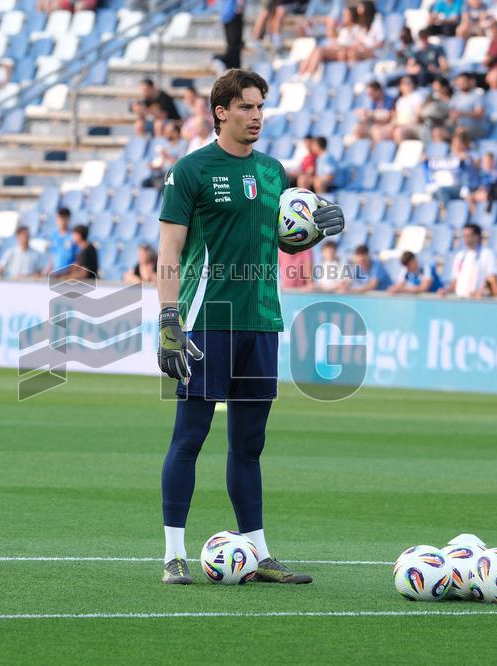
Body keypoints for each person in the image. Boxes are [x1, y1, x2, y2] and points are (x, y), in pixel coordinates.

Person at [156, 68, 344, 585]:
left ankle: (259, 554)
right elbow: (169, 250)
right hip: (206, 319)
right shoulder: (191, 170)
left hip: (263, 320)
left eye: (261, 107)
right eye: (246, 107)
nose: (256, 116)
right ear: (221, 112)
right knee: (189, 437)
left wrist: (313, 235)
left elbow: (281, 241)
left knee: (250, 443)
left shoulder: (274, 172)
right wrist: (168, 319)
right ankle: (174, 554)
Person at [442, 223, 497, 298]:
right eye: (464, 236)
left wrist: (481, 292)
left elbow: (491, 279)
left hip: (478, 301)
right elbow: (455, 282)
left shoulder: (487, 254)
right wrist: (446, 291)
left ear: (477, 236)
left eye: (468, 235)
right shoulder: (460, 256)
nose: (465, 238)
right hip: (461, 300)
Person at [423, 129, 477, 203]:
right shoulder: (450, 156)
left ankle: (446, 212)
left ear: (464, 144)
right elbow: (437, 165)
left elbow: (477, 167)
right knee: (434, 192)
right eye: (454, 144)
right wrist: (427, 160)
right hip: (452, 186)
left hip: (466, 187)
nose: (455, 146)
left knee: (442, 191)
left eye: (458, 144)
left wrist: (469, 159)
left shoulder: (471, 155)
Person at [145, 121, 186, 189]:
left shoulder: (183, 144)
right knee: (145, 183)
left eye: (168, 131)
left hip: (173, 176)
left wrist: (167, 156)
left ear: (175, 133)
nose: (166, 133)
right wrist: (154, 166)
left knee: (160, 184)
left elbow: (180, 164)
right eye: (165, 131)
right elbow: (160, 161)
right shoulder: (165, 144)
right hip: (161, 174)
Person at [450, 72, 489, 139]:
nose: (460, 84)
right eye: (459, 82)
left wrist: (462, 113)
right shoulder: (456, 96)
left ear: (470, 82)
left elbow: (479, 114)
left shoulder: (477, 95)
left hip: (476, 128)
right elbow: (451, 112)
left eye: (463, 81)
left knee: (460, 132)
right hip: (459, 127)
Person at [46, 207, 78, 275]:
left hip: (68, 275)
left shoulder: (73, 235)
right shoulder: (54, 235)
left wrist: (68, 272)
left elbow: (78, 258)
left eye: (64, 218)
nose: (61, 220)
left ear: (68, 219)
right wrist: (48, 270)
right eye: (59, 218)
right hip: (56, 274)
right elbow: (52, 255)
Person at [214, 0, 244, 70]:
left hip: (230, 13)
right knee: (233, 44)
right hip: (231, 13)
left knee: (233, 44)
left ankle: (233, 66)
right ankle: (232, 66)